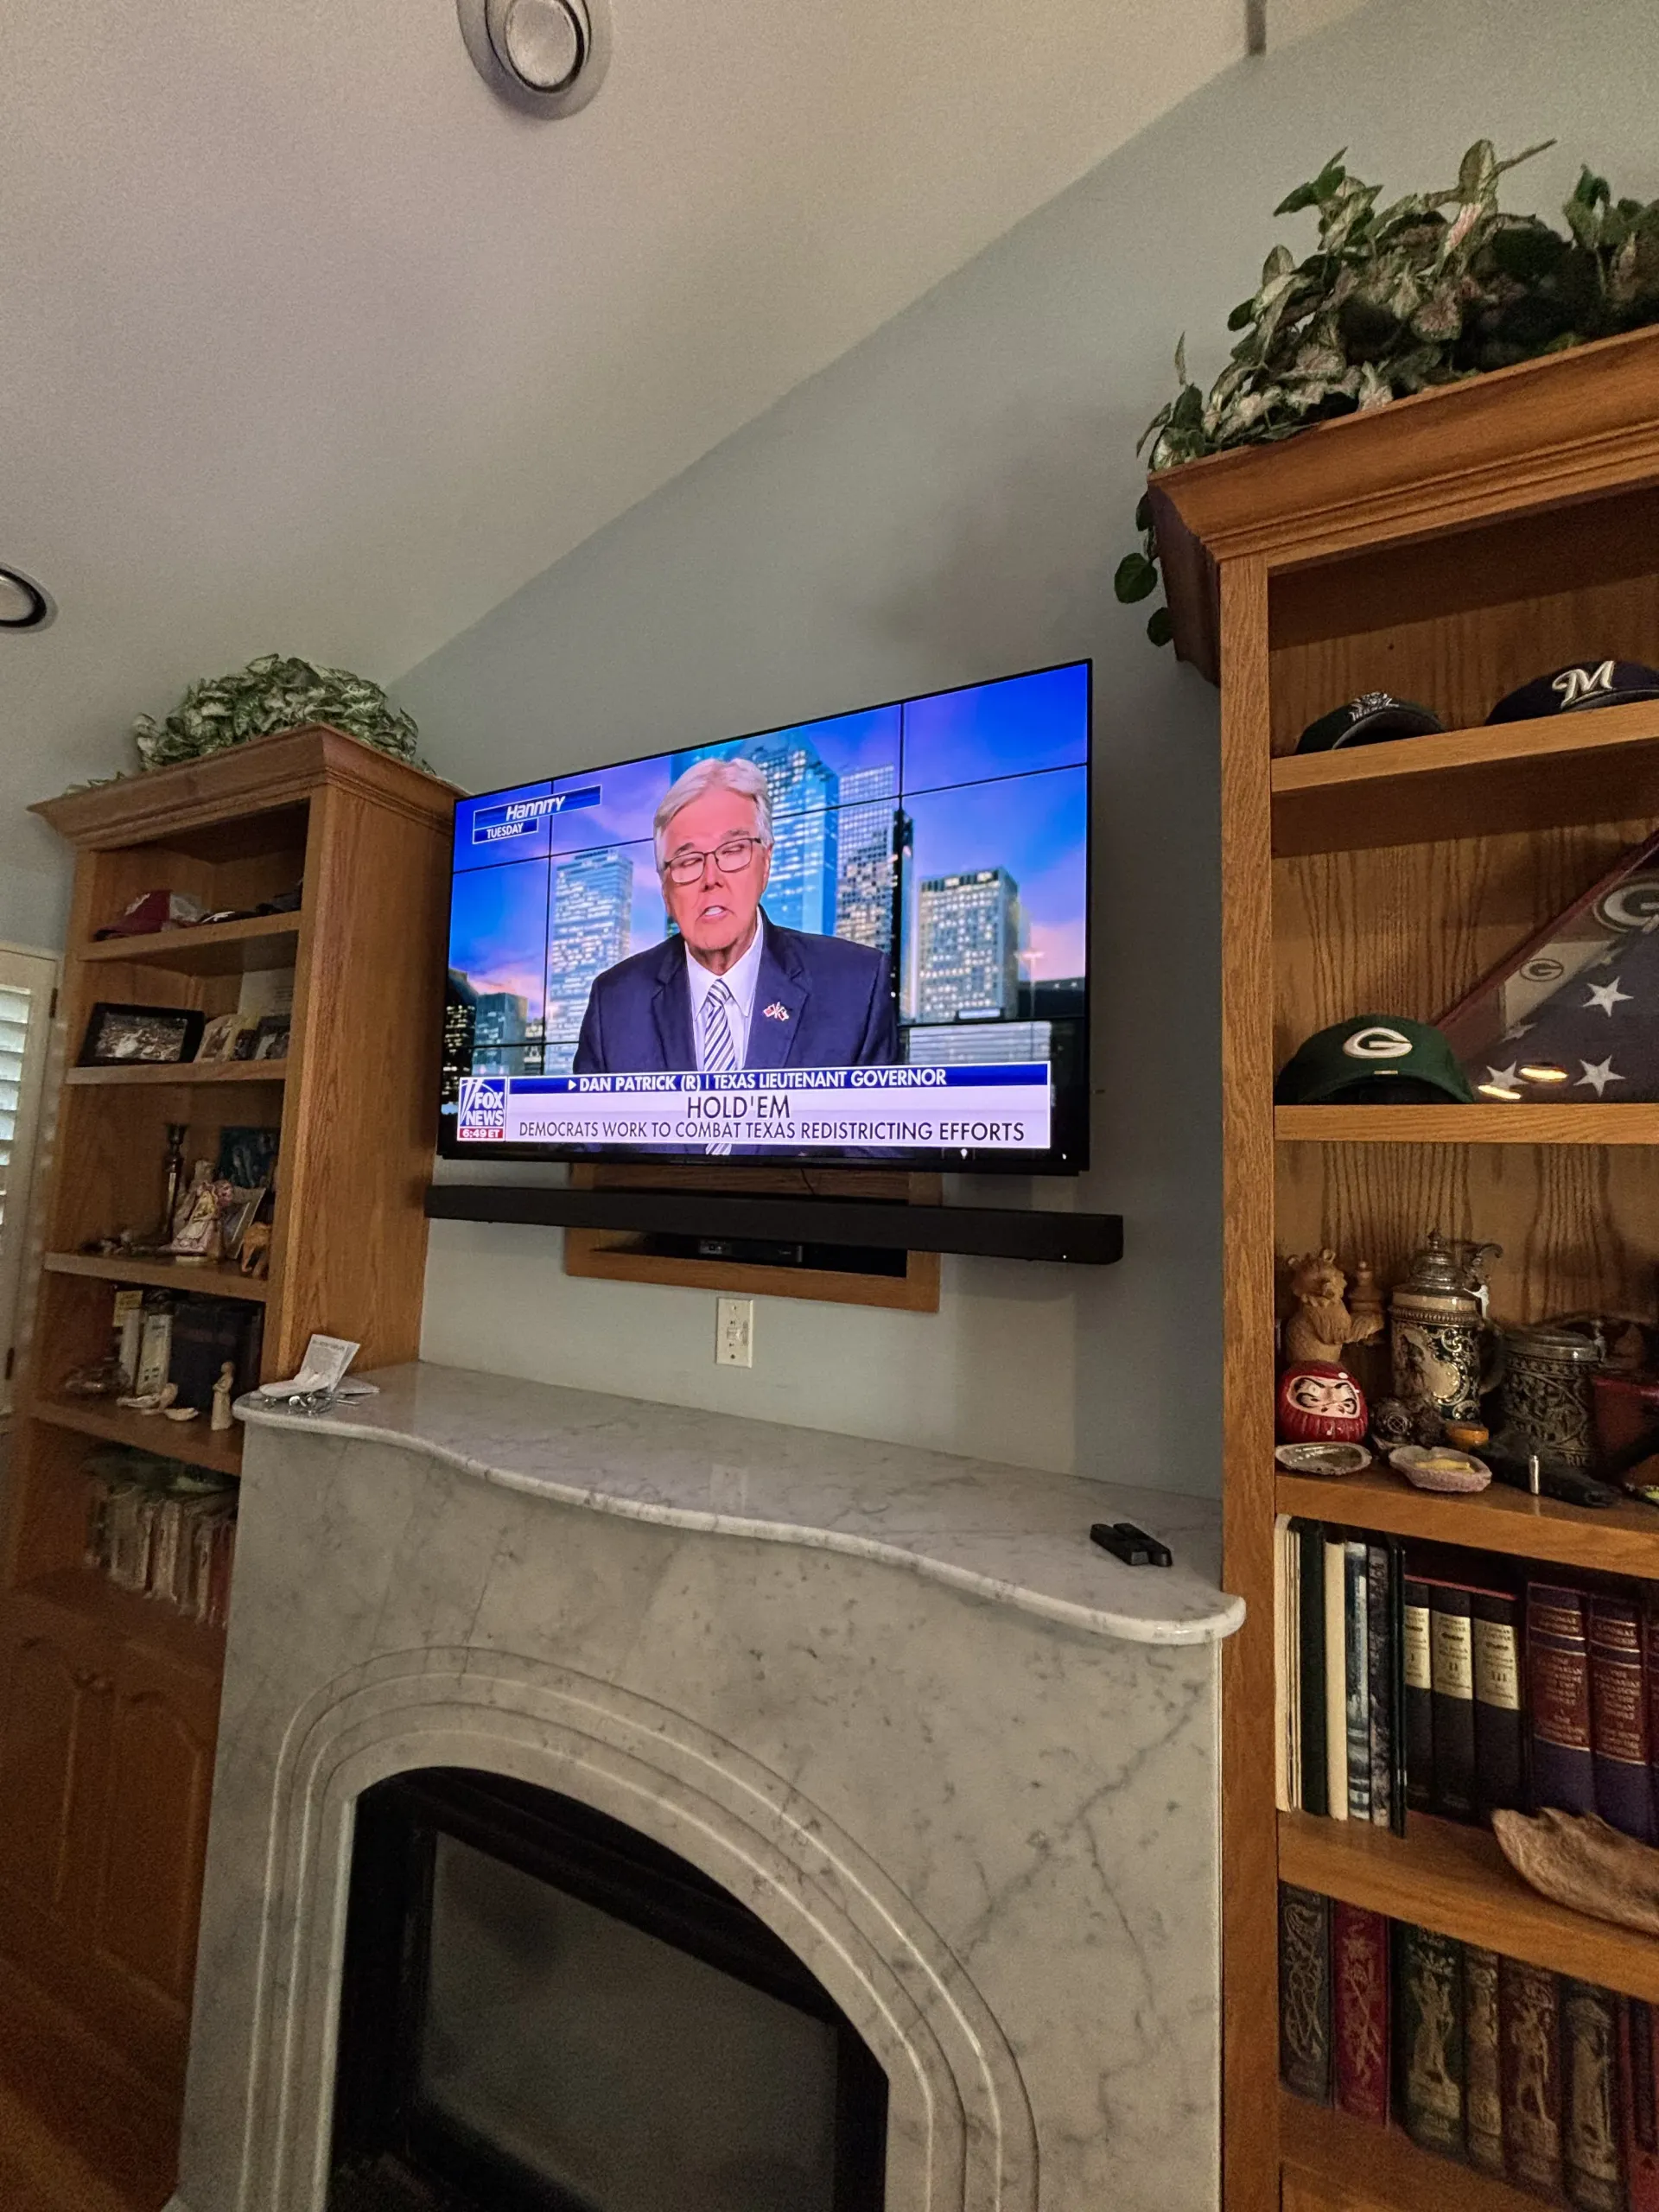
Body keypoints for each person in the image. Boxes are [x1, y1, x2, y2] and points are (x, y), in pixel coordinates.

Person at [573, 757, 897, 1077]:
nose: (711, 878)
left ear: (765, 863)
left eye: (732, 851)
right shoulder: (613, 1003)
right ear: (665, 891)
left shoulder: (857, 986)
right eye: (688, 861)